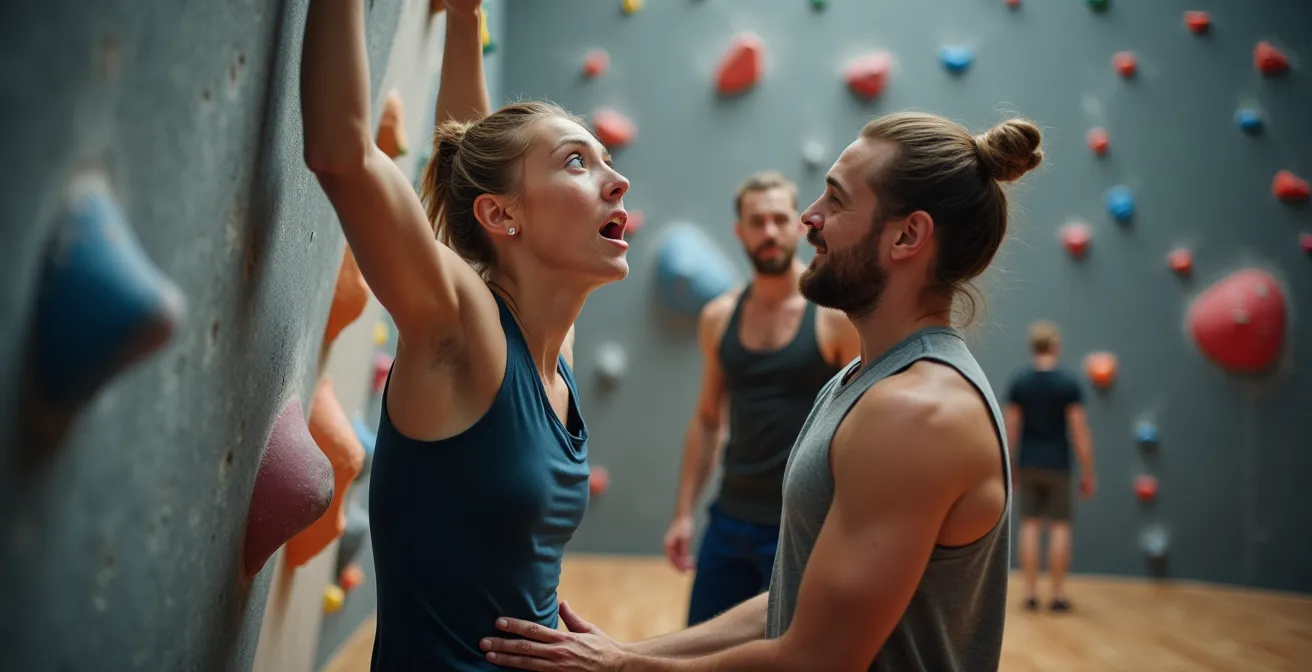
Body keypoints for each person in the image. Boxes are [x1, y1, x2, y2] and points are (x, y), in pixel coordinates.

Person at [479, 110, 1044, 671]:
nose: (809, 218)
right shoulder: (861, 381)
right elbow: (792, 606)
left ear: (907, 235)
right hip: (731, 517)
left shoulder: (917, 412)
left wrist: (622, 668)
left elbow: (816, 658)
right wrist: (625, 651)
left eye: (837, 201)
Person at [299, 0, 633, 669]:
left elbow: (475, 154)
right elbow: (343, 156)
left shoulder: (552, 348)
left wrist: (461, 20)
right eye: (577, 162)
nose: (617, 180)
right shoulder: (460, 331)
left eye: (604, 160)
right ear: (502, 216)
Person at [664, 171, 859, 626]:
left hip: (802, 526)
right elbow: (709, 420)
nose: (768, 232)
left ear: (798, 224)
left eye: (778, 219)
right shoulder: (718, 317)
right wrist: (682, 514)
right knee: (698, 650)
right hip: (729, 520)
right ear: (741, 232)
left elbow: (862, 425)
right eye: (757, 221)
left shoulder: (834, 317)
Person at [1003, 320, 1096, 612]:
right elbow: (1079, 432)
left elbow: (1011, 428)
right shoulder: (1068, 383)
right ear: (1055, 345)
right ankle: (1056, 595)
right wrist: (1088, 471)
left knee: (1029, 526)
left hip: (1029, 463)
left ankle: (1030, 593)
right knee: (1059, 527)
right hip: (1058, 465)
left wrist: (1010, 465)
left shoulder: (1020, 382)